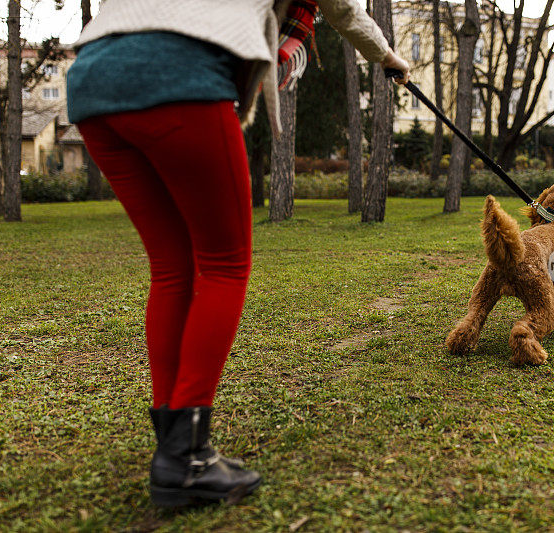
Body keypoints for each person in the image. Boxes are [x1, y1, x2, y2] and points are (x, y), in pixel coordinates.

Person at [66, 0, 409, 508]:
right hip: (180, 72)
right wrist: (386, 56)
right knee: (224, 263)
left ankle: (174, 447)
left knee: (172, 266)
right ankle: (187, 457)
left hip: (92, 80)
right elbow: (341, 8)